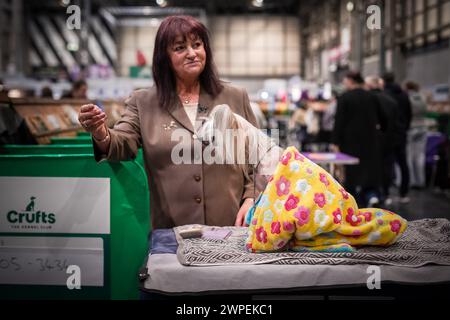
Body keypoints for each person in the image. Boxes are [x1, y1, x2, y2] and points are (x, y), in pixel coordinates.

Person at [77, 15, 258, 229]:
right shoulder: (142, 102)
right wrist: (100, 132)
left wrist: (252, 198)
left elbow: (257, 157)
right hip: (170, 232)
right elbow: (123, 143)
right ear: (165, 57)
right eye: (180, 48)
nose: (192, 53)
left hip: (233, 226)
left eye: (197, 45)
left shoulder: (235, 97)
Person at [331, 71, 384, 207]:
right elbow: (382, 119)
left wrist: (335, 142)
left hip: (349, 142)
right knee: (369, 170)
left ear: (350, 80)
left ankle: (353, 204)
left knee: (351, 174)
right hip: (371, 141)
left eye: (345, 80)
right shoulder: (372, 96)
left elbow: (339, 122)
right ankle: (371, 197)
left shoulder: (344, 98)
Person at [365, 76, 400, 205]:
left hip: (372, 140)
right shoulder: (391, 100)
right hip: (389, 140)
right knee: (387, 167)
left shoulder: (368, 99)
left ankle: (373, 194)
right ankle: (385, 193)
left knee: (372, 167)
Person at [383, 72, 412, 203]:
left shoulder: (384, 95)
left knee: (388, 164)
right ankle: (404, 194)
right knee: (403, 164)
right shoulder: (404, 94)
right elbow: (409, 114)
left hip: (389, 135)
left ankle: (387, 194)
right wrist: (404, 128)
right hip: (401, 134)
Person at [404, 81, 428, 189]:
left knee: (409, 156)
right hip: (423, 127)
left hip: (411, 127)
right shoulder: (422, 97)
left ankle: (411, 181)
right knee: (420, 156)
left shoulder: (407, 97)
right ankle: (421, 181)